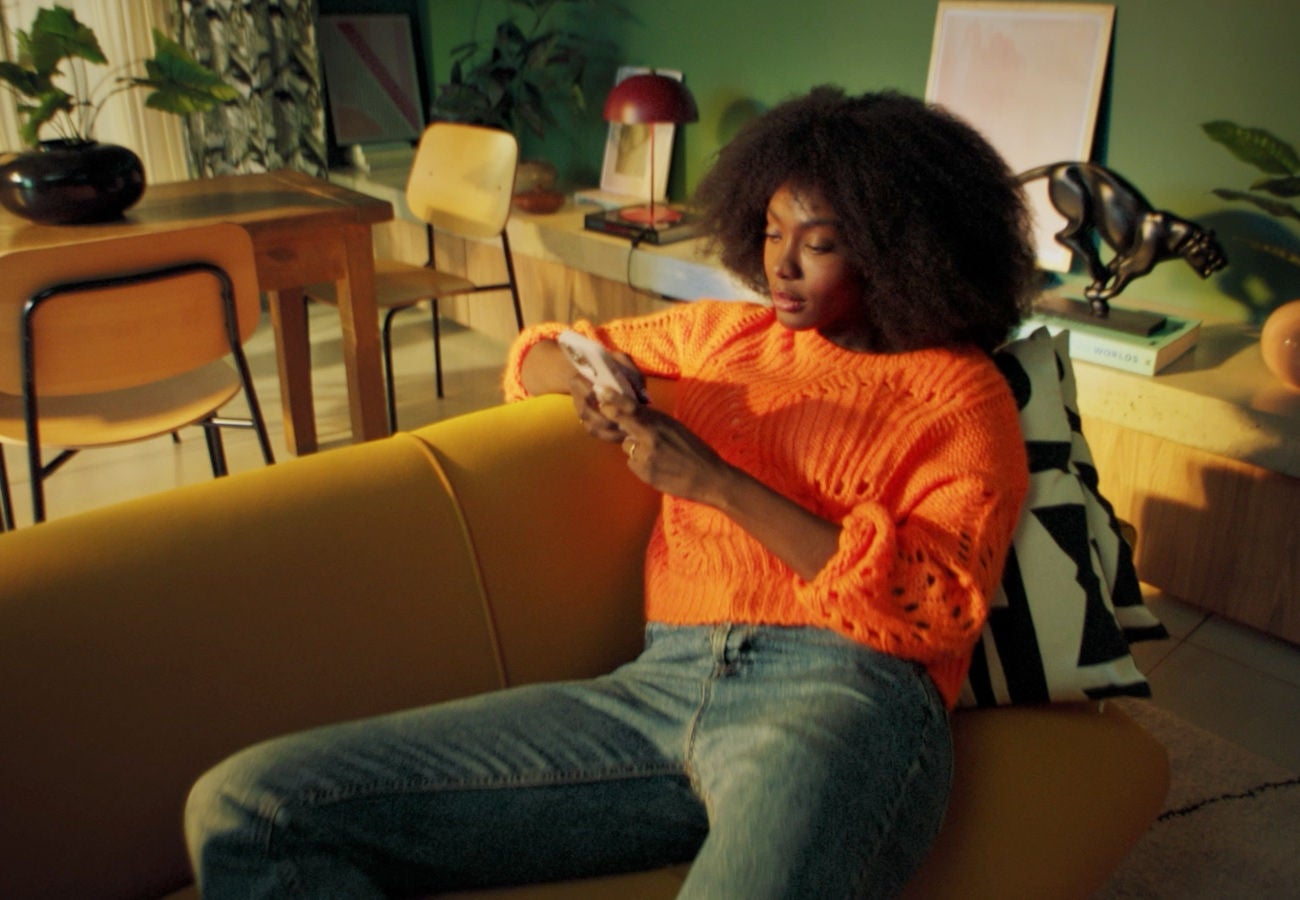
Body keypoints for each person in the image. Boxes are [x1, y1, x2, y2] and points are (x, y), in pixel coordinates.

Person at [185, 86, 1036, 899]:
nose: (779, 265)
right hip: (658, 689)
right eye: (771, 231)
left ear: (898, 249)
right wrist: (591, 384)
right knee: (252, 806)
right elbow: (539, 352)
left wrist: (718, 484)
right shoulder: (722, 336)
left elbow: (937, 607)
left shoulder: (960, 397)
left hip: (844, 702)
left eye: (817, 243)